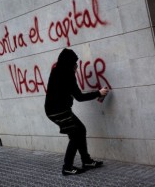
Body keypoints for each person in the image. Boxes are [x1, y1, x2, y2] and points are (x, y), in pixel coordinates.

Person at [44, 48, 109, 176]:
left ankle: (86, 161)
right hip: (58, 111)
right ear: (69, 63)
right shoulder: (67, 74)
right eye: (75, 63)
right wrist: (98, 93)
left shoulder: (57, 70)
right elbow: (79, 97)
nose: (77, 65)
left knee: (80, 129)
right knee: (75, 135)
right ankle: (67, 167)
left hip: (56, 109)